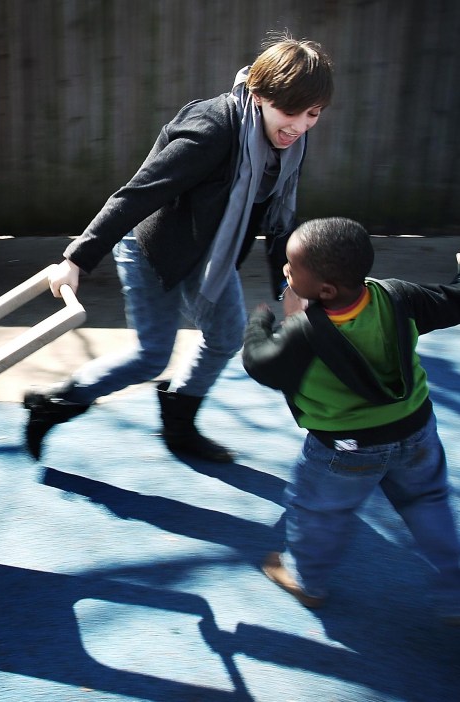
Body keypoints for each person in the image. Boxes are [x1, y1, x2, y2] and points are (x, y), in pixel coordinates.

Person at [24, 33, 334, 462]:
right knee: (152, 355)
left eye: (312, 114)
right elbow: (140, 192)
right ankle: (55, 404)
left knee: (226, 335)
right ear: (261, 95)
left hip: (208, 255)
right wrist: (77, 258)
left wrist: (292, 287)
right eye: (290, 112)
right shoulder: (213, 128)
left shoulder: (289, 144)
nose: (299, 126)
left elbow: (279, 221)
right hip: (151, 249)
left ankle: (179, 423)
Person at [242, 217, 460, 623]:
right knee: (427, 503)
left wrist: (263, 323)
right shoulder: (398, 295)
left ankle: (306, 580)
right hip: (416, 430)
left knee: (317, 510)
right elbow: (452, 301)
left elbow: (261, 365)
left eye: (292, 268)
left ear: (324, 290)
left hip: (345, 449)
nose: (285, 271)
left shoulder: (303, 333)